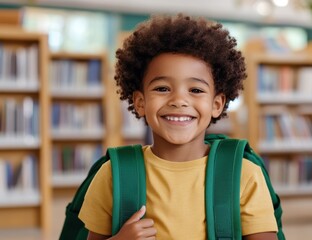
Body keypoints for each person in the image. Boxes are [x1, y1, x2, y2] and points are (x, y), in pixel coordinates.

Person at [79, 13, 279, 240]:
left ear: (216, 104)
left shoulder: (245, 175)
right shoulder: (113, 175)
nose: (178, 100)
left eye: (195, 90)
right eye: (162, 88)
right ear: (140, 102)